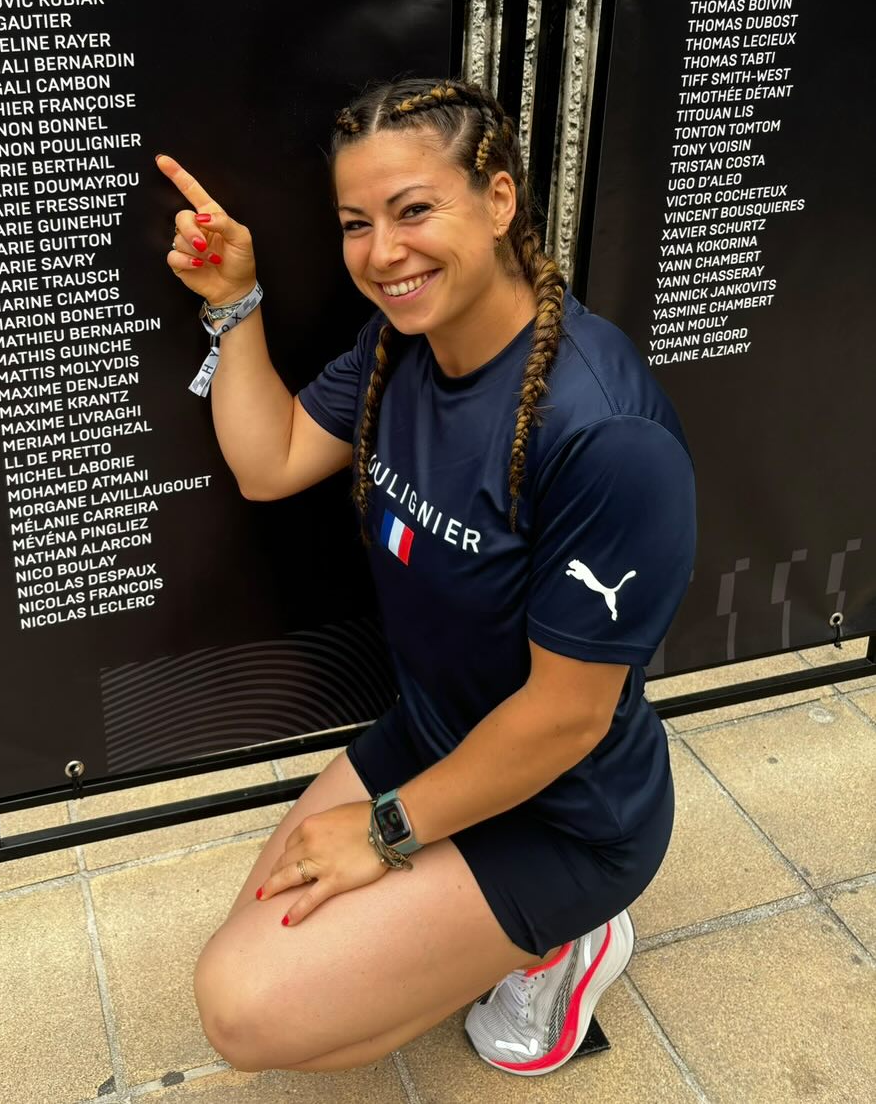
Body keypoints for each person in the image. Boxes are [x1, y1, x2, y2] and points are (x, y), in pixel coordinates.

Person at [155, 76, 696, 1077]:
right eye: (356, 223)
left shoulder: (604, 433)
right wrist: (235, 302)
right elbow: (267, 461)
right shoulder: (399, 345)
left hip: (565, 813)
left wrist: (389, 832)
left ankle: (565, 941)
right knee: (251, 943)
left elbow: (566, 720)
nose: (382, 252)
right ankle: (464, 925)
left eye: (414, 210)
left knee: (245, 1010)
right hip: (437, 736)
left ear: (497, 201)